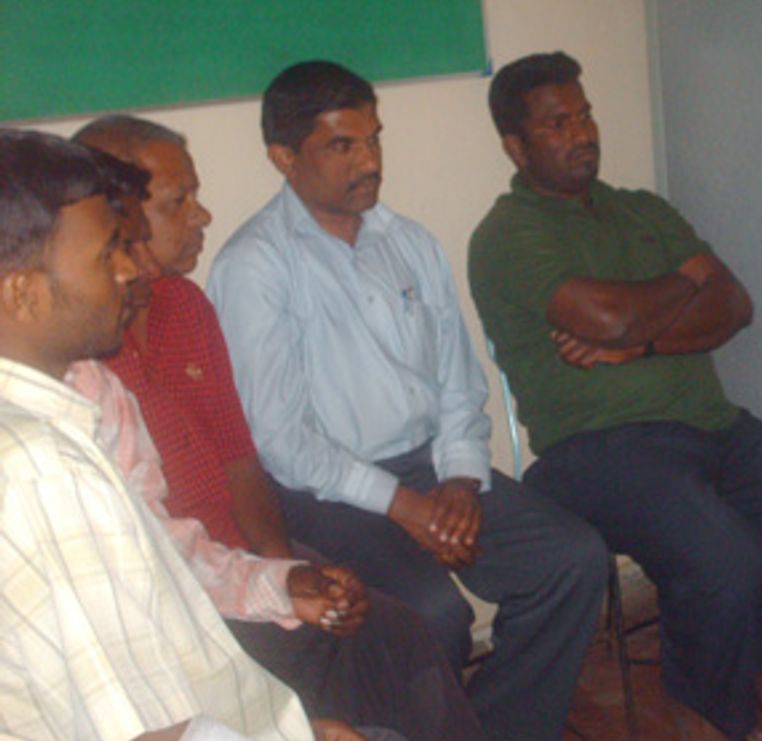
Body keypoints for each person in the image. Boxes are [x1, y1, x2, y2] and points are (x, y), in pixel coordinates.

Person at [468, 51, 762, 740]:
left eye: (585, 114)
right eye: (557, 123)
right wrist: (685, 283)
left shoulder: (641, 208)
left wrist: (640, 341)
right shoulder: (508, 234)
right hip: (595, 454)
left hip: (715, 431)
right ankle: (710, 718)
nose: (582, 133)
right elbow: (608, 316)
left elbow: (734, 305)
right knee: (722, 555)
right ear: (515, 147)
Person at [207, 60, 608, 741]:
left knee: (571, 560)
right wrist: (404, 507)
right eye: (342, 145)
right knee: (430, 616)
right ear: (284, 157)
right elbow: (282, 440)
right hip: (324, 493)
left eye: (373, 139)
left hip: (431, 468)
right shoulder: (254, 265)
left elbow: (458, 382)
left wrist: (460, 479)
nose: (369, 161)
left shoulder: (409, 242)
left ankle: (494, 729)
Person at [71, 117, 483, 741]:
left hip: (244, 559)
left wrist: (282, 567)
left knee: (397, 634)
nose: (203, 215)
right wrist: (275, 592)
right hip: (176, 593)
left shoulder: (186, 305)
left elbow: (241, 457)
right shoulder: (83, 355)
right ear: (114, 213)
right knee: (334, 658)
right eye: (178, 201)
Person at [0, 128, 316, 740]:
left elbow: (166, 553)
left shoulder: (73, 409)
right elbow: (135, 725)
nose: (129, 269)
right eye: (107, 255)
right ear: (23, 293)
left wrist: (275, 581)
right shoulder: (41, 470)